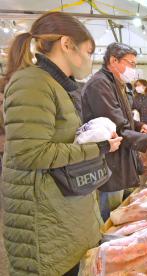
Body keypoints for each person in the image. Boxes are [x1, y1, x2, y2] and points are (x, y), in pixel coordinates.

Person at [0, 12, 122, 275]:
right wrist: (98, 148)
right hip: (43, 217)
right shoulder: (32, 82)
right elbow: (31, 153)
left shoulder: (58, 85)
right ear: (67, 44)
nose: (90, 60)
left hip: (63, 208)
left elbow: (60, 138)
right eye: (89, 52)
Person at [82, 43, 147, 221]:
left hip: (121, 155)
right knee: (111, 213)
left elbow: (122, 115)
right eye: (131, 63)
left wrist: (138, 126)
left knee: (119, 206)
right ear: (113, 60)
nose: (133, 69)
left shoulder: (115, 83)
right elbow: (116, 127)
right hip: (110, 159)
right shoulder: (100, 84)